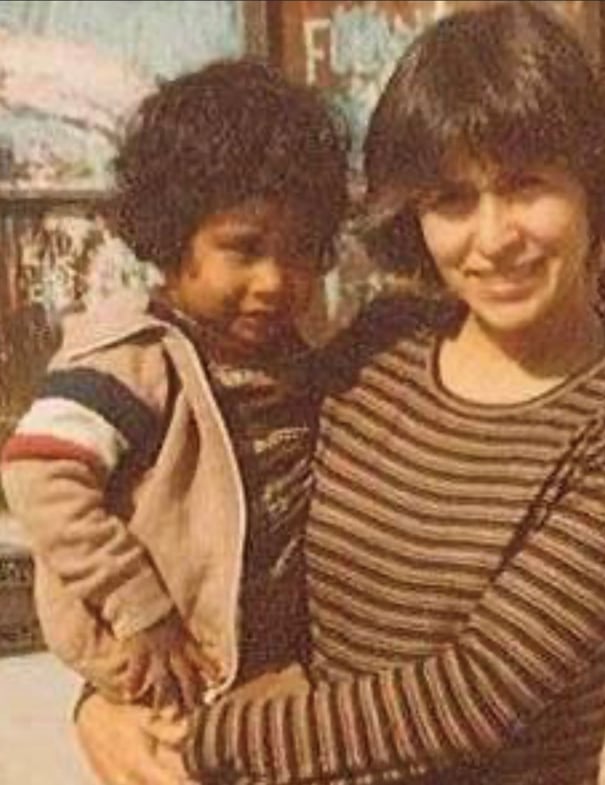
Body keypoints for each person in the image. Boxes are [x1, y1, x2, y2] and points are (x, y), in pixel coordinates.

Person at [78, 3, 605, 784]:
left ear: (597, 186)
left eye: (526, 186)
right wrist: (110, 693)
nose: (493, 236)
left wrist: (194, 736)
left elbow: (474, 694)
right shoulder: (380, 345)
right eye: (452, 198)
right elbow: (220, 525)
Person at [1, 56, 347, 783]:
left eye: (302, 252)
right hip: (164, 666)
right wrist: (141, 608)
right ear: (171, 233)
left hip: (259, 677)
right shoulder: (133, 358)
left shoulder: (299, 360)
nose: (275, 281)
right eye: (244, 248)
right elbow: (39, 475)